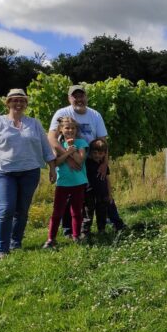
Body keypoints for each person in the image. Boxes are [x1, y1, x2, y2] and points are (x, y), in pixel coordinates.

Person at [0, 88, 57, 259]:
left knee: (22, 210)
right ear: (8, 103)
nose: (18, 103)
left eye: (22, 100)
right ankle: (2, 248)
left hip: (30, 172)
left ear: (26, 104)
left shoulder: (34, 123)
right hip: (3, 171)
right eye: (15, 100)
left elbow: (46, 147)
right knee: (6, 208)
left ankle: (16, 243)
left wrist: (52, 167)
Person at [48, 85, 126, 233]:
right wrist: (68, 157)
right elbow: (51, 137)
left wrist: (104, 163)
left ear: (86, 97)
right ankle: (69, 229)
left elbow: (103, 140)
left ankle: (116, 223)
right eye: (75, 96)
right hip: (68, 157)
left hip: (92, 160)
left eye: (81, 96)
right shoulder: (62, 112)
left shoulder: (95, 115)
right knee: (70, 193)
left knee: (103, 193)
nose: (79, 99)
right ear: (69, 98)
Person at [44, 117, 88, 248]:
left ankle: (76, 236)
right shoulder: (57, 145)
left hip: (79, 182)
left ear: (76, 130)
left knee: (77, 211)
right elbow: (56, 162)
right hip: (62, 183)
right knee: (57, 212)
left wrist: (70, 148)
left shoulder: (81, 143)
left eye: (73, 128)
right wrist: (67, 152)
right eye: (67, 128)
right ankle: (51, 239)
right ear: (61, 130)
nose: (70, 130)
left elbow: (80, 161)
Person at [82, 139, 114, 238]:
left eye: (100, 153)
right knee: (88, 213)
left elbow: (107, 180)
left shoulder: (104, 166)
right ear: (90, 152)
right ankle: (85, 232)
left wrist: (109, 194)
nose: (97, 155)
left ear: (104, 154)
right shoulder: (86, 163)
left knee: (102, 212)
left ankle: (102, 230)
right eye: (95, 153)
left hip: (102, 193)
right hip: (89, 192)